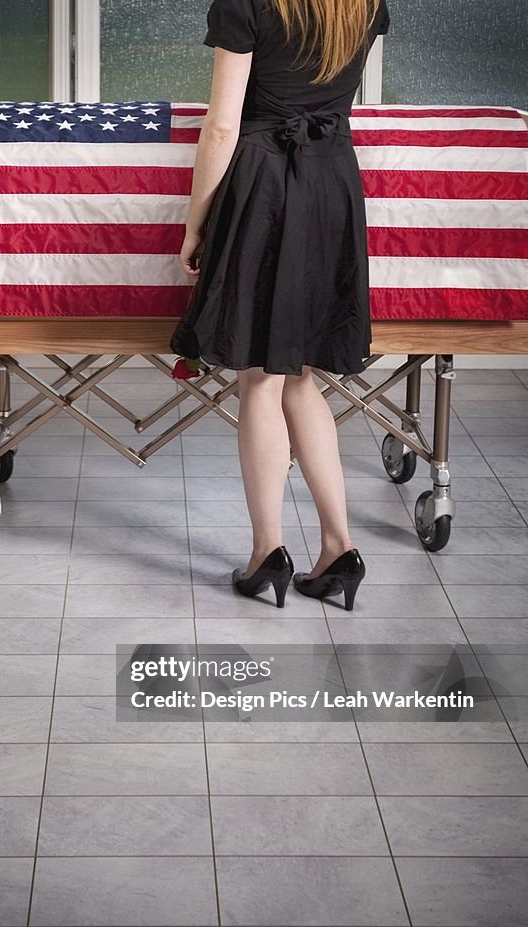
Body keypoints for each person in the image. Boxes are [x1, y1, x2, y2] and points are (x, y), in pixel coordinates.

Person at [170, 0, 390, 611]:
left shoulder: (245, 3)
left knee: (261, 379)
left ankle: (268, 551)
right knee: (299, 376)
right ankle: (339, 548)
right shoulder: (365, 5)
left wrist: (194, 226)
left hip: (267, 185)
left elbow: (221, 126)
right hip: (332, 184)